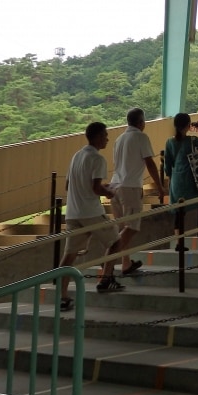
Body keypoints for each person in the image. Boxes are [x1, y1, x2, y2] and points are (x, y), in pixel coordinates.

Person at [59, 122, 125, 311]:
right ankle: (106, 279)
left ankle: (62, 295)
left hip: (73, 212)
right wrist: (109, 192)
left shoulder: (76, 156)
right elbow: (96, 188)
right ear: (96, 137)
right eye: (105, 135)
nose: (107, 138)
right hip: (92, 212)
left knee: (69, 256)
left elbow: (68, 186)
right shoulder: (97, 159)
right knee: (115, 242)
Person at [109, 107, 165, 275]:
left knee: (123, 229)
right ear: (141, 122)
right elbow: (150, 163)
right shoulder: (141, 137)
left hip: (115, 186)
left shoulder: (119, 139)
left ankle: (126, 263)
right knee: (131, 227)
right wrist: (160, 186)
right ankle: (108, 263)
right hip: (130, 187)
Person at [164, 113, 198, 245]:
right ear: (188, 126)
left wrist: (170, 182)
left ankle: (179, 243)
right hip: (193, 181)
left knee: (179, 211)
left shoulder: (169, 142)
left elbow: (167, 166)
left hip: (176, 182)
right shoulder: (192, 140)